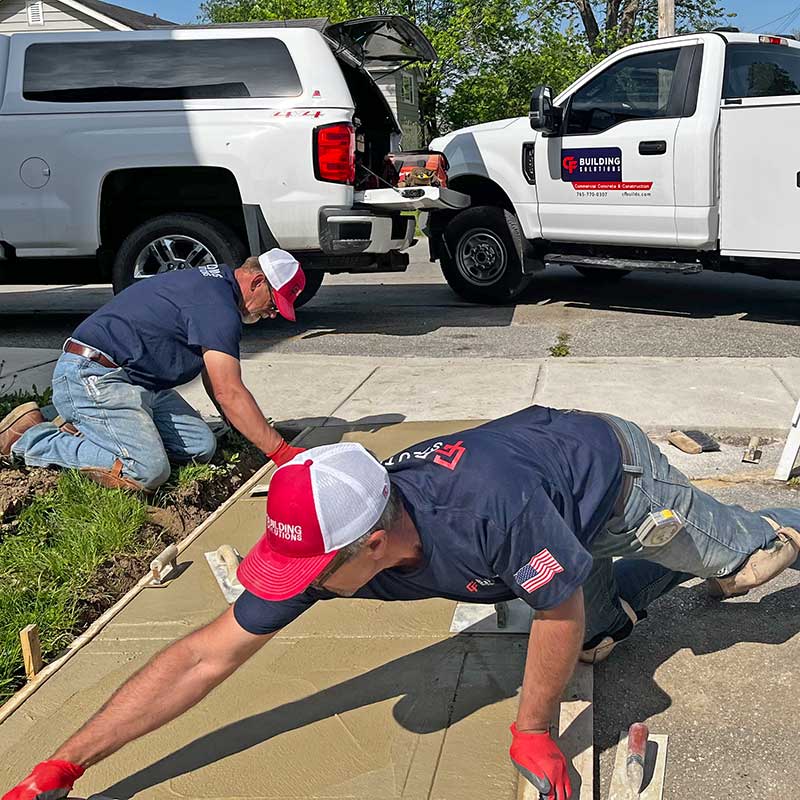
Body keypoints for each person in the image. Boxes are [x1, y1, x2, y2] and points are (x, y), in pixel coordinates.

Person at [5, 406, 800, 800]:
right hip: (554, 511)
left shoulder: (488, 515)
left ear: (375, 544)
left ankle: (772, 528)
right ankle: (639, 580)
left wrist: (531, 729)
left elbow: (549, 613)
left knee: (746, 570)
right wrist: (67, 761)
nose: (300, 583)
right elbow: (202, 655)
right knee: (591, 639)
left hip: (617, 480)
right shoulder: (335, 537)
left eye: (313, 568)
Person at [0, 250, 308, 490]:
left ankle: (77, 418)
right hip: (93, 374)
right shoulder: (218, 308)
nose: (272, 314)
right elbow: (229, 391)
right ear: (256, 282)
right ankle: (28, 440)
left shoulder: (216, 287)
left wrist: (238, 425)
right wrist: (281, 453)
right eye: (274, 304)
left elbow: (217, 380)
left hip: (139, 382)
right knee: (147, 470)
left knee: (200, 447)